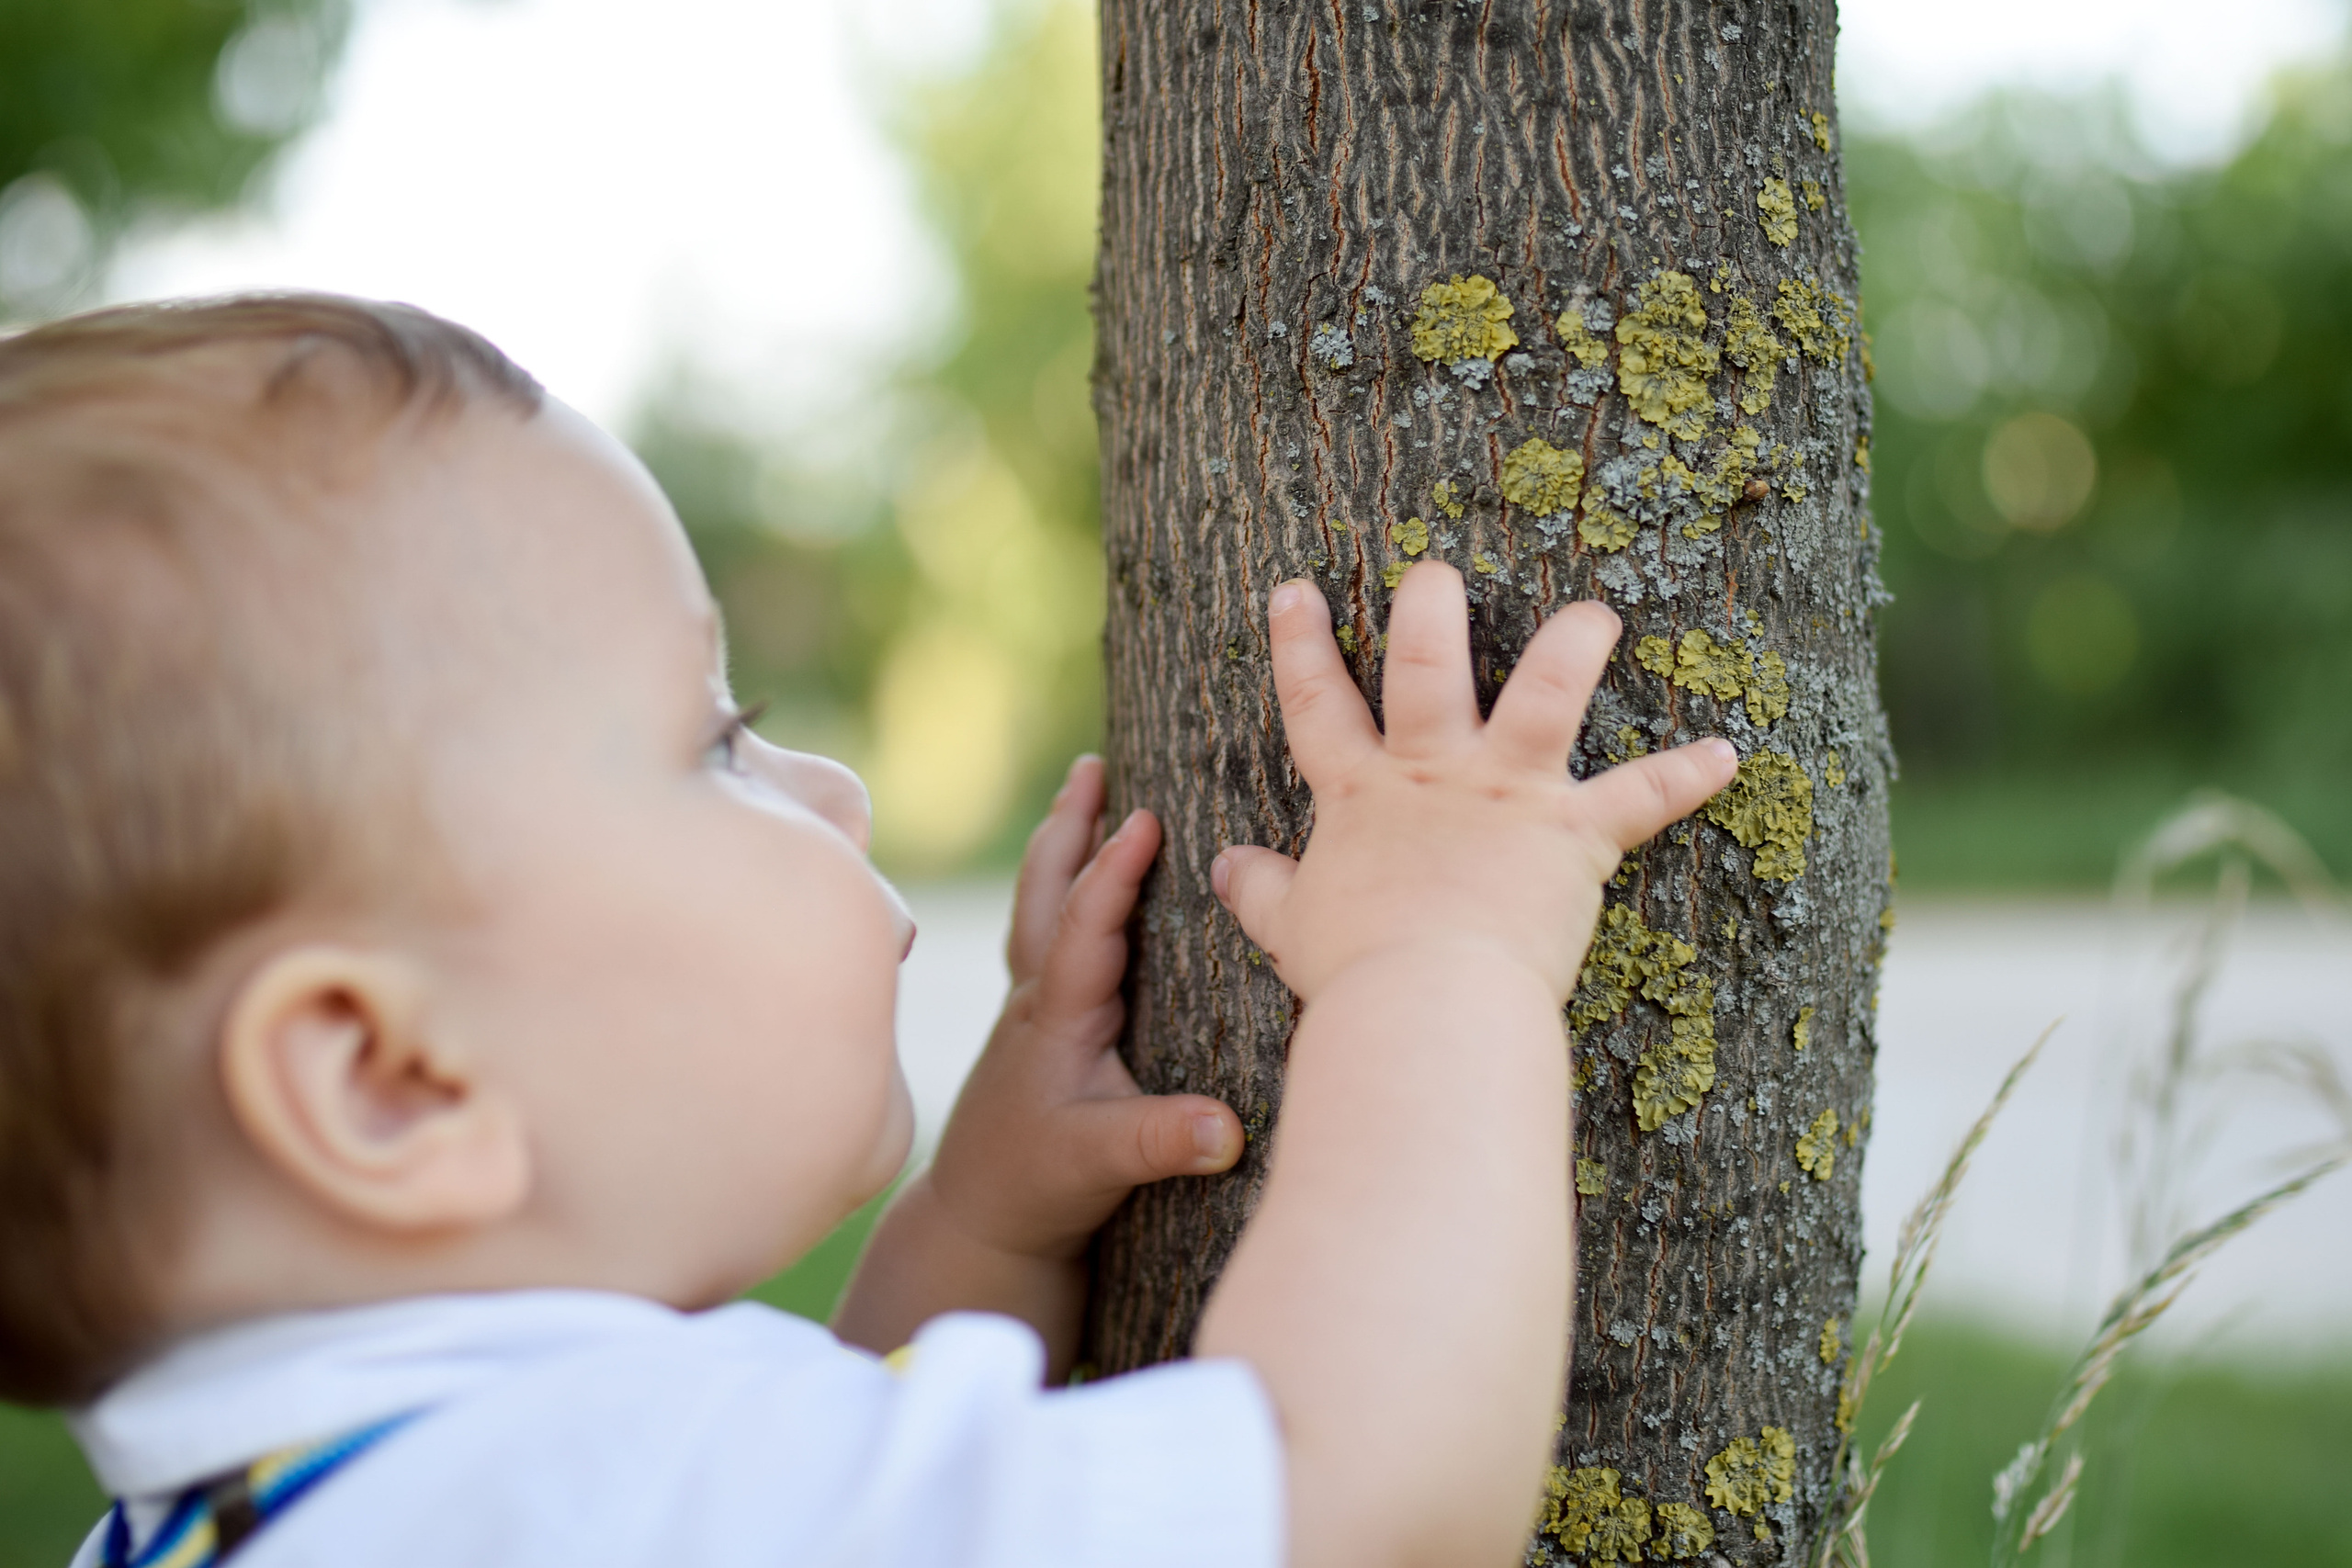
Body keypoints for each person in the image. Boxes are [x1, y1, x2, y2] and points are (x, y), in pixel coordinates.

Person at [0, 294, 1736, 1568]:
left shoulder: (320, 1511)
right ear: (385, 1080)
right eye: (710, 743)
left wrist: (982, 1217)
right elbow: (1354, 1505)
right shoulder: (599, 1500)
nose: (828, 786)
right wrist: (1435, 959)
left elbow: (842, 1478)